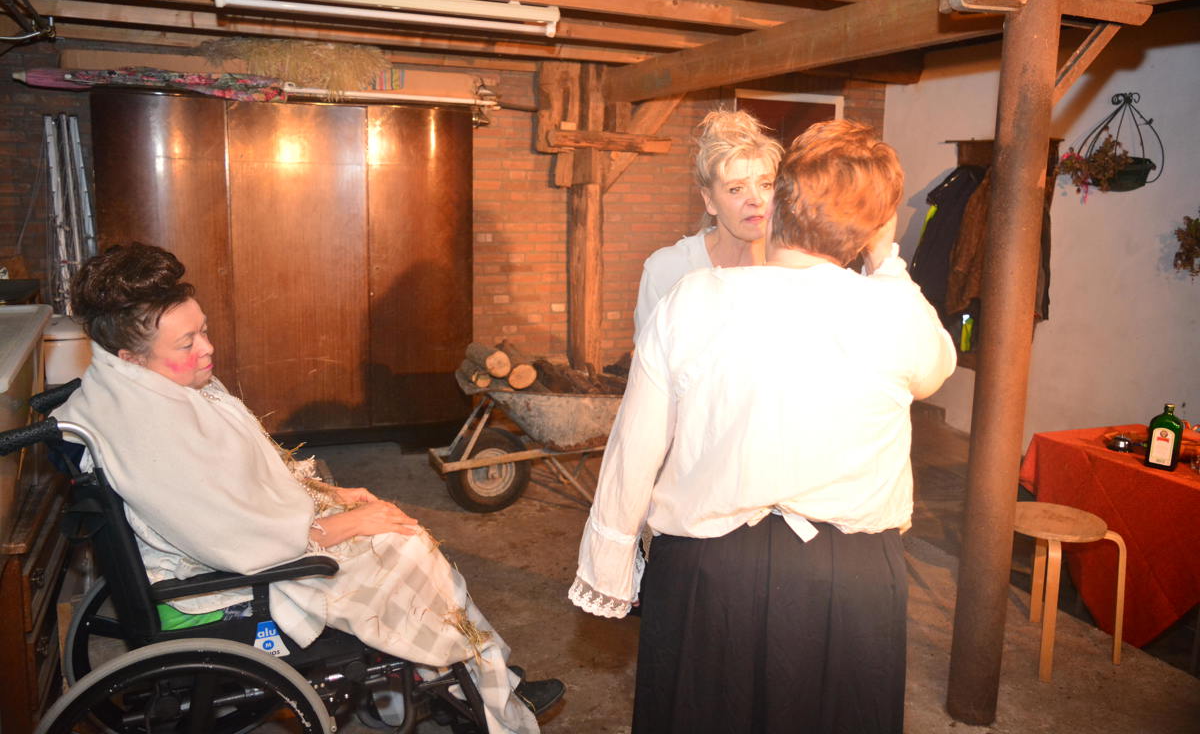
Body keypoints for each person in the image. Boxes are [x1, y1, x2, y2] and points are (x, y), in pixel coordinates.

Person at [59, 243, 563, 734]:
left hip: (243, 545)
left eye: (203, 331)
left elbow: (240, 485)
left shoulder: (145, 392)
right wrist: (340, 525)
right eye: (187, 344)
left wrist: (332, 496)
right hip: (227, 578)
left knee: (388, 527)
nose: (207, 348)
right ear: (131, 357)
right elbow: (235, 538)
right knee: (405, 543)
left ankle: (469, 678)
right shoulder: (154, 433)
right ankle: (466, 689)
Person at [570, 120, 957, 734]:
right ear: (872, 225)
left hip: (711, 569)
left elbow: (635, 444)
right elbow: (936, 366)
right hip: (846, 576)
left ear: (780, 201)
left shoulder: (693, 299)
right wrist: (885, 258)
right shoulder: (892, 308)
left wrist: (611, 555)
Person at [632, 108, 784, 339]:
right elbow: (649, 356)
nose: (756, 199)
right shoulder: (668, 269)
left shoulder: (794, 269)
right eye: (736, 189)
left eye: (765, 185)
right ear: (709, 200)